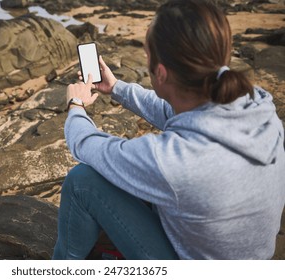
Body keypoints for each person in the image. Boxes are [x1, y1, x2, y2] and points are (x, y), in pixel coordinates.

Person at [52, 0, 285, 260]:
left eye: (147, 55)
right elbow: (174, 111)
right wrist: (117, 88)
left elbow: (84, 144)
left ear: (160, 73)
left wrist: (75, 104)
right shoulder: (258, 106)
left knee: (83, 181)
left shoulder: (173, 160)